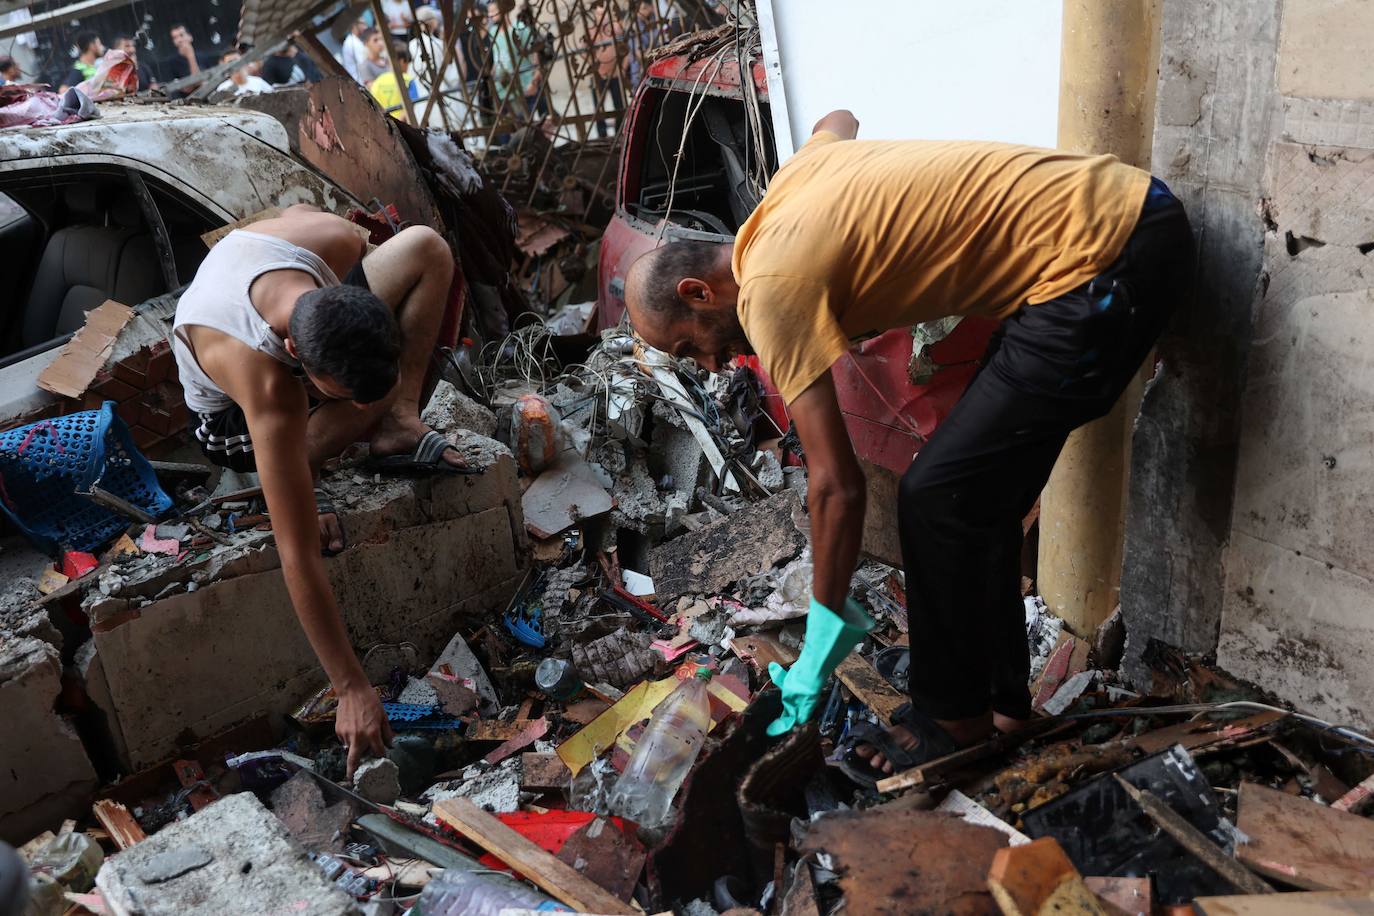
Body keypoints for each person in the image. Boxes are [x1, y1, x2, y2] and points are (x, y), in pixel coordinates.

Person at [622, 111, 1193, 788]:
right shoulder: (789, 190)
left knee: (936, 498)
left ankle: (954, 727)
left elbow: (836, 486)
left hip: (1102, 266)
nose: (711, 365)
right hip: (1126, 221)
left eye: (690, 345)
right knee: (976, 499)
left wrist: (819, 646)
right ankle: (1005, 708)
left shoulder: (770, 291)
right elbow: (838, 119)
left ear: (699, 292)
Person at [171, 206, 467, 777]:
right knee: (315, 471)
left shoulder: (330, 240)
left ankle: (397, 416)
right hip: (227, 421)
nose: (354, 402)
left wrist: (383, 391)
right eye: (344, 395)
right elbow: (297, 555)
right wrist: (351, 686)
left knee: (426, 245)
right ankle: (289, 470)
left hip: (289, 313)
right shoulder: (268, 386)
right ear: (298, 357)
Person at [409, 4, 468, 128]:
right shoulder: (438, 44)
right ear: (433, 23)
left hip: (423, 100)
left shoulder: (412, 45)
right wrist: (460, 58)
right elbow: (451, 77)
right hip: (443, 98)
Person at [486, 1, 540, 121]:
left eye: (493, 11)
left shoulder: (519, 28)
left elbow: (536, 55)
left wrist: (535, 81)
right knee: (507, 128)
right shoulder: (492, 32)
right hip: (503, 88)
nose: (490, 15)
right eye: (489, 12)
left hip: (523, 85)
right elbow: (497, 57)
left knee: (525, 124)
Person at [586, 1, 625, 138]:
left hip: (615, 73)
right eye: (598, 14)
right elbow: (586, 53)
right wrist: (595, 69)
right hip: (598, 75)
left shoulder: (616, 28)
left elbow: (624, 50)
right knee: (598, 108)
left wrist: (623, 69)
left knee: (619, 105)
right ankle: (602, 135)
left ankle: (619, 133)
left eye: (603, 13)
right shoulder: (590, 30)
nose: (601, 17)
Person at [368, 41, 417, 121]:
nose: (407, 67)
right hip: (404, 127)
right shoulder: (408, 80)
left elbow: (373, 107)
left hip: (385, 126)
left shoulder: (377, 82)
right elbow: (410, 108)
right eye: (407, 63)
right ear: (401, 61)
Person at [340, 17, 370, 82]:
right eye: (362, 24)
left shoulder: (357, 38)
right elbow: (364, 62)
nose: (365, 27)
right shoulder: (351, 42)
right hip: (360, 80)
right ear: (355, 25)